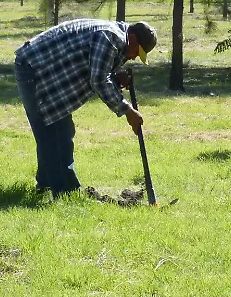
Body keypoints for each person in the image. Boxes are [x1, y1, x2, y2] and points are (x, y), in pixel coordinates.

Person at [14, 19, 157, 197]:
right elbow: (98, 79)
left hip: (49, 74)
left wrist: (116, 76)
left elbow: (98, 68)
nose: (135, 56)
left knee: (61, 131)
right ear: (133, 37)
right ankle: (65, 192)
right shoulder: (110, 37)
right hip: (33, 68)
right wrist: (127, 110)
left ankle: (46, 187)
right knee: (51, 134)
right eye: (138, 50)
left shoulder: (117, 38)